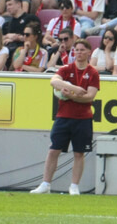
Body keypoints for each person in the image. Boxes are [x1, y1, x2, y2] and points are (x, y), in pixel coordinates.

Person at [31, 37, 99, 195]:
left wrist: (71, 95)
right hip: (63, 116)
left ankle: (74, 186)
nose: (79, 53)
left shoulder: (93, 72)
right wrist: (73, 88)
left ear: (89, 52)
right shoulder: (66, 69)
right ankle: (46, 184)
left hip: (83, 118)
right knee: (54, 150)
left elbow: (90, 96)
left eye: (82, 50)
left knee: (79, 153)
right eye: (77, 50)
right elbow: (53, 81)